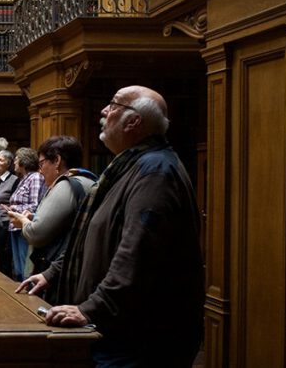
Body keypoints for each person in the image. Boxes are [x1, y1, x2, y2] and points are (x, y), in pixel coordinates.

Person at [17, 86, 204, 368]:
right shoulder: (128, 166)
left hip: (139, 339)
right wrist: (53, 272)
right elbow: (95, 235)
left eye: (114, 105)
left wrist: (91, 309)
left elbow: (138, 253)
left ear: (134, 121)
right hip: (121, 331)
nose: (104, 111)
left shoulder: (155, 171)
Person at [6, 136, 95, 276]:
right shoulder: (88, 180)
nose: (40, 171)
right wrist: (34, 216)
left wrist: (23, 222)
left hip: (57, 270)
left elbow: (36, 233)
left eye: (41, 164)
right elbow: (68, 220)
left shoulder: (65, 185)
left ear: (57, 161)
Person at [3, 146, 45, 280]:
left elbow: (35, 205)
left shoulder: (35, 178)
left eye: (16, 159)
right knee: (18, 268)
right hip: (14, 226)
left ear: (24, 161)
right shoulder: (22, 179)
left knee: (25, 268)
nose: (14, 162)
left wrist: (14, 209)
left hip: (24, 227)